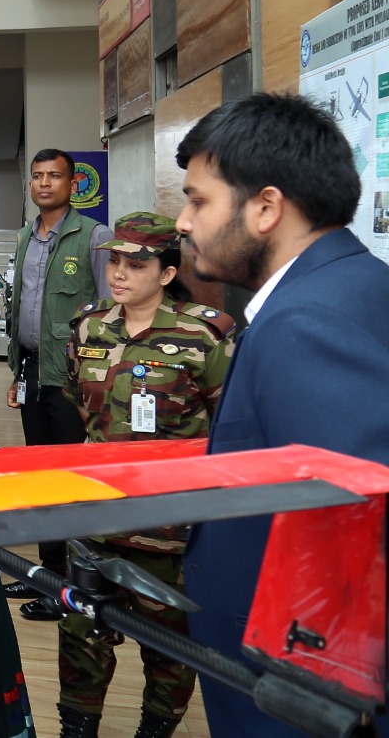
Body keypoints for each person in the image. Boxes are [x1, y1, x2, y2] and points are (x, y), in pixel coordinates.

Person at [175, 93, 389, 738]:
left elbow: (356, 530)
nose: (183, 222)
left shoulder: (306, 322)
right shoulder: (353, 284)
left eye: (198, 201)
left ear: (265, 208)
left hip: (301, 689)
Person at [56, 212, 234, 738]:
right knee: (82, 634)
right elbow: (82, 407)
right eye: (114, 261)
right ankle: (76, 729)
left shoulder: (203, 335)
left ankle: (154, 731)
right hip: (97, 515)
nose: (119, 273)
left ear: (166, 273)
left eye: (136, 264)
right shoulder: (89, 326)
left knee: (170, 647)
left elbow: (228, 425)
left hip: (168, 524)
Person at [5, 148, 113, 619]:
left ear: (73, 184)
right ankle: (47, 577)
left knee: (71, 481)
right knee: (40, 477)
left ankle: (78, 587)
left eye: (54, 176)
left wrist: (98, 386)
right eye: (37, 176)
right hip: (33, 371)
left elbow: (109, 312)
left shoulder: (94, 236)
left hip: (73, 379)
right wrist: (16, 373)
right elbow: (21, 309)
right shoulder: (24, 236)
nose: (44, 183)